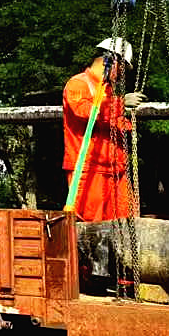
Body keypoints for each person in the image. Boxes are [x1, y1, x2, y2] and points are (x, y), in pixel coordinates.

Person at [62, 38, 136, 222]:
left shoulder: (107, 92)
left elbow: (111, 124)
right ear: (111, 61)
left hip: (114, 170)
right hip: (89, 170)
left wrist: (128, 123)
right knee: (91, 226)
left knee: (128, 221)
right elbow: (83, 111)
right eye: (123, 69)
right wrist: (122, 104)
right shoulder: (78, 84)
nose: (121, 76)